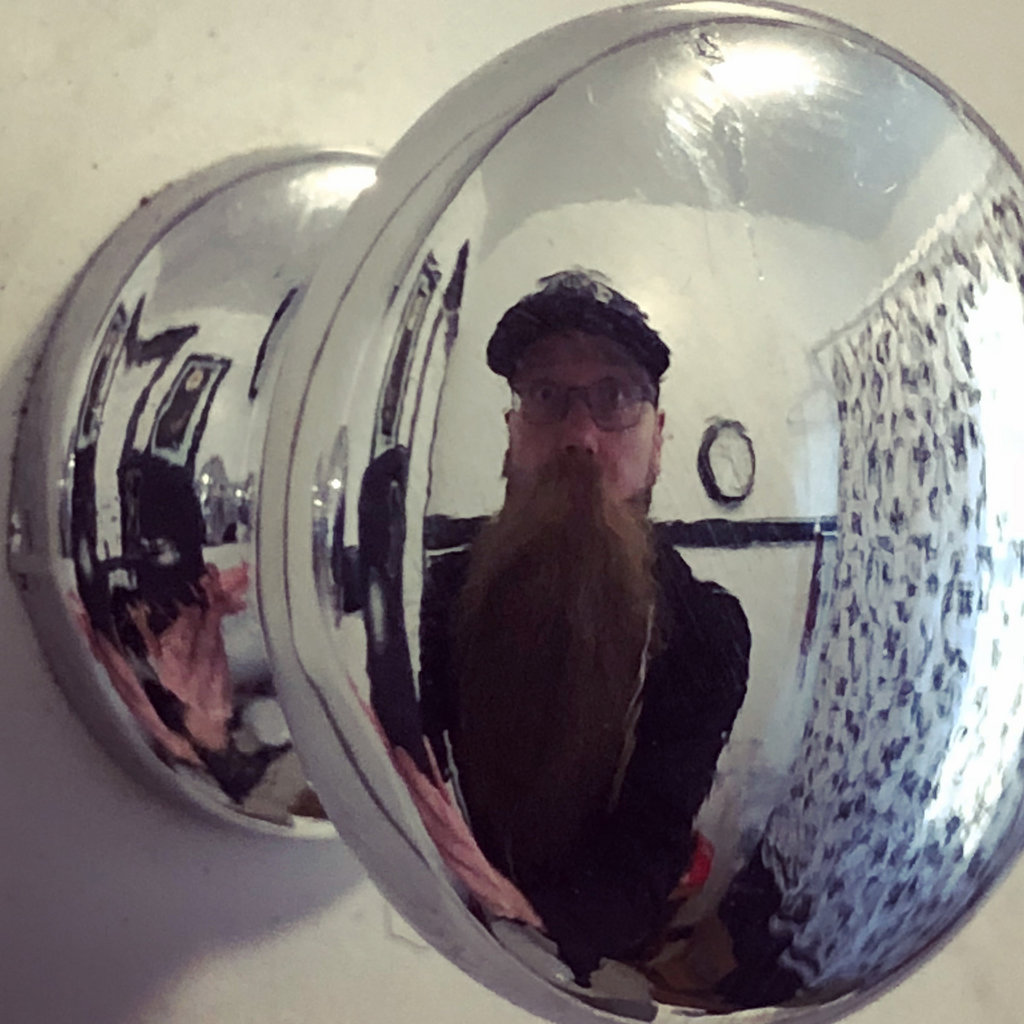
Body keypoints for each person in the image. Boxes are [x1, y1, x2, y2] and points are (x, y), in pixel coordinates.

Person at [417, 269, 751, 984]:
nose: (579, 436)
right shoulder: (437, 595)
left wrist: (536, 924)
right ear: (512, 433)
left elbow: (650, 850)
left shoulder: (707, 632)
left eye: (616, 397)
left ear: (658, 440)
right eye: (545, 396)